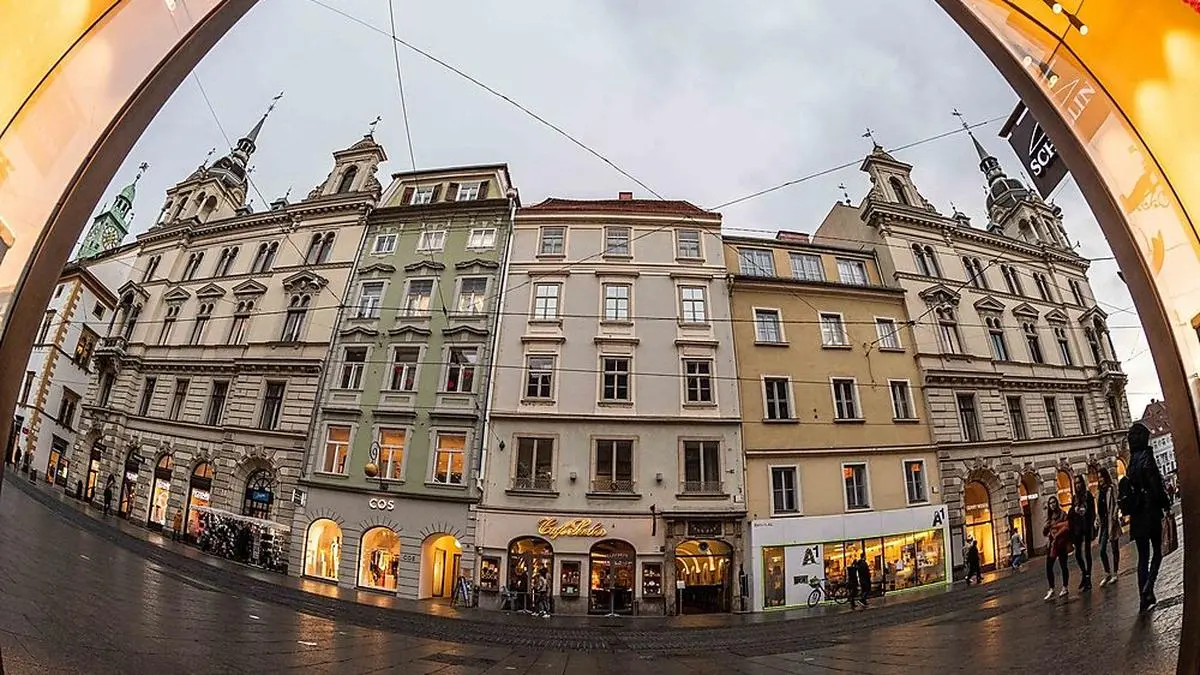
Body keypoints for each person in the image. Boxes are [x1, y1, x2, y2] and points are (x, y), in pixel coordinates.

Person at [1122, 422, 1172, 612]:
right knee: (1157, 551)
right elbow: (1156, 486)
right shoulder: (1147, 458)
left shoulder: (1131, 461)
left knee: (1143, 557)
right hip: (1150, 512)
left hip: (1137, 516)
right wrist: (1166, 505)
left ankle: (1143, 599)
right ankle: (1149, 587)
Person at [1070, 474, 1096, 590]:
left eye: (1079, 482)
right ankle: (1085, 574)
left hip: (1086, 527)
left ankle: (1088, 577)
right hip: (1077, 529)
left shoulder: (1088, 495)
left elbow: (1092, 512)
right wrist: (1075, 511)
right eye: (1076, 483)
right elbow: (1071, 515)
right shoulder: (1074, 498)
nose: (1078, 485)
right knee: (1077, 554)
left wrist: (1091, 524)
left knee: (1087, 553)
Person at [1043, 495, 1072, 600]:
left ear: (1057, 503)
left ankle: (1065, 586)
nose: (1052, 505)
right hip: (1052, 545)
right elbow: (1045, 533)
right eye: (1050, 503)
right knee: (1048, 566)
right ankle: (1051, 588)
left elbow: (1068, 527)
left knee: (1063, 565)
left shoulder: (1063, 514)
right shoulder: (1049, 518)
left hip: (1061, 543)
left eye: (1054, 502)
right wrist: (1046, 528)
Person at [1096, 467, 1121, 586]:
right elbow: (1099, 508)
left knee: (1115, 548)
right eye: (1098, 477)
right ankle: (1107, 572)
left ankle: (1115, 572)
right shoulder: (1098, 491)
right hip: (1103, 524)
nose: (1100, 479)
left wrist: (1115, 515)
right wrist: (1097, 519)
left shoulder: (1111, 488)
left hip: (1112, 521)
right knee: (1101, 550)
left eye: (1101, 476)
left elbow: (1117, 502)